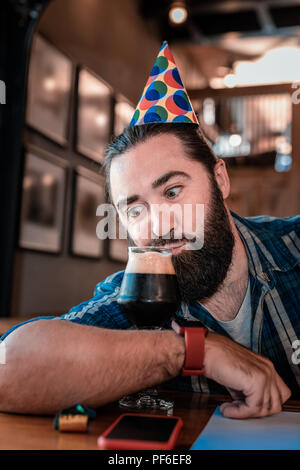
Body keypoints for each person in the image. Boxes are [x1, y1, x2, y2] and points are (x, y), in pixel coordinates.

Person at [0, 43, 299, 419]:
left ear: (219, 179)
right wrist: (192, 351)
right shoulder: (134, 297)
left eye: (173, 191)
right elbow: (7, 369)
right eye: (135, 209)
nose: (158, 225)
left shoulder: (294, 249)